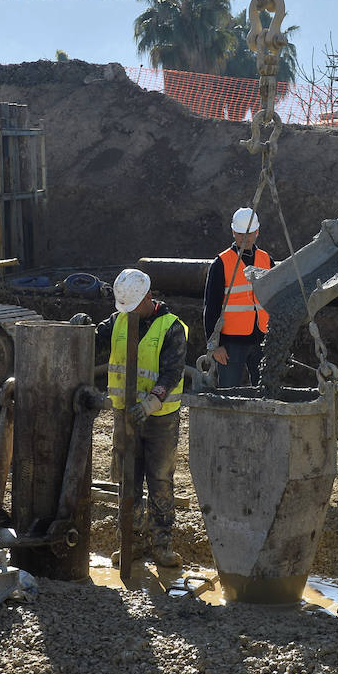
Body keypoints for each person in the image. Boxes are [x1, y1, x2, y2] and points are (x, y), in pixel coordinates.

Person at [90, 268, 189, 568]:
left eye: (134, 306)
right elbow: (96, 340)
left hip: (160, 419)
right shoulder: (118, 319)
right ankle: (129, 542)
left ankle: (161, 545)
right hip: (125, 416)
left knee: (159, 479)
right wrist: (81, 328)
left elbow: (172, 372)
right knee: (126, 479)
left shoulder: (172, 328)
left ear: (148, 296)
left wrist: (151, 402)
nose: (129, 313)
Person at [203, 207, 272, 388]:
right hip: (231, 344)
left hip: (262, 340)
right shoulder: (221, 263)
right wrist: (214, 345)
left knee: (265, 391)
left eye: (249, 233)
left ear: (257, 232)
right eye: (240, 233)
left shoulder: (266, 260)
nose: (245, 238)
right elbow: (211, 307)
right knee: (229, 394)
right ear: (233, 232)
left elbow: (274, 300)